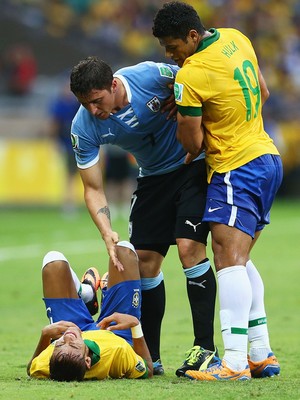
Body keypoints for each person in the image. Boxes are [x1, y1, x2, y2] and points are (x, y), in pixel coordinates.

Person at [152, 1, 283, 381]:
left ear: (193, 36)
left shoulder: (190, 75)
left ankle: (235, 363)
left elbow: (191, 144)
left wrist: (183, 111)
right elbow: (265, 92)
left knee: (227, 260)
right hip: (266, 156)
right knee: (239, 260)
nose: (170, 55)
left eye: (173, 46)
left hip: (234, 168)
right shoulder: (235, 37)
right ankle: (260, 353)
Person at [69, 57, 217, 375]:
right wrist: (106, 230)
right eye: (85, 104)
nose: (93, 110)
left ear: (113, 85)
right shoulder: (84, 125)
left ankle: (205, 349)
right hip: (152, 178)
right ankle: (153, 357)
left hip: (193, 164)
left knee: (190, 248)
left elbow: (196, 83)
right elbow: (93, 188)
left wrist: (185, 104)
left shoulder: (150, 76)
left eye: (97, 101)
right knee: (145, 261)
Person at [27, 241, 153, 381]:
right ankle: (108, 293)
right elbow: (147, 368)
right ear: (87, 361)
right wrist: (135, 325)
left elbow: (32, 368)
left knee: (52, 260)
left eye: (60, 344)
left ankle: (86, 294)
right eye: (73, 345)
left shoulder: (53, 361)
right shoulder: (118, 351)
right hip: (116, 331)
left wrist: (45, 336)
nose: (67, 338)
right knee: (124, 251)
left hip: (77, 329)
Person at [47, 80, 80, 214]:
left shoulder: (77, 103)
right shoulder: (60, 105)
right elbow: (54, 125)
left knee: (79, 175)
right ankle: (69, 203)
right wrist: (54, 142)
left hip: (79, 143)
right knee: (70, 175)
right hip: (68, 145)